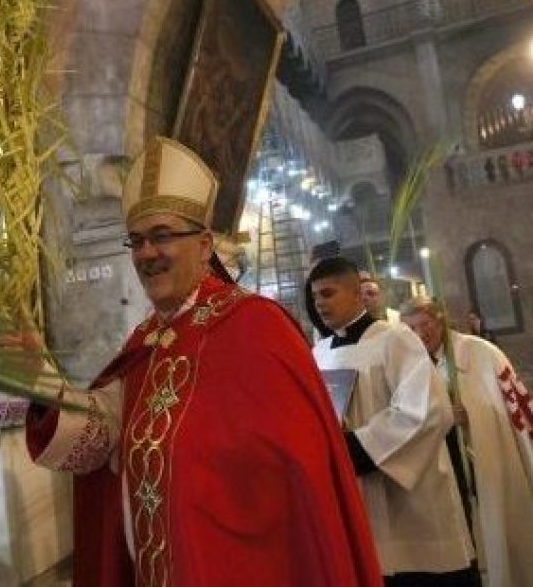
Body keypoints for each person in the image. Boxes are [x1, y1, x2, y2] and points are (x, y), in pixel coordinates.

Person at [20, 136, 382, 587]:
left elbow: (300, 485)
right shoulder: (144, 340)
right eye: (136, 241)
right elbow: (100, 439)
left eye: (163, 236)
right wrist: (40, 379)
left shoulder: (258, 329)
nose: (147, 253)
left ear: (206, 244)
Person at [307, 257, 478, 586]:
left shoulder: (395, 339)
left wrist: (356, 448)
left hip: (406, 500)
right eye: (315, 297)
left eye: (328, 294)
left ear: (357, 294)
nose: (320, 304)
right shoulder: (319, 352)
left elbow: (428, 410)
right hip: (353, 492)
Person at [401, 296, 533, 587]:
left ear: (440, 321)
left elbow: (506, 409)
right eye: (412, 328)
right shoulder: (410, 363)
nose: (421, 334)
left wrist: (472, 416)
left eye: (426, 325)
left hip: (481, 459)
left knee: (497, 531)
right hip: (444, 468)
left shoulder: (480, 352)